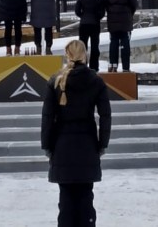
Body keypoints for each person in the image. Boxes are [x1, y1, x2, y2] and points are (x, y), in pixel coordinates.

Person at [41, 40, 111, 227]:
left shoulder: (56, 81)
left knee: (66, 201)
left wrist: (47, 145)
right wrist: (103, 143)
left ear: (67, 55)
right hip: (87, 144)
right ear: (85, 55)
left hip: (62, 145)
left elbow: (47, 116)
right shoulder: (96, 80)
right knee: (86, 198)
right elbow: (105, 115)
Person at [103, 0, 138, 73]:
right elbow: (134, 4)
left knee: (113, 42)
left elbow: (104, 4)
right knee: (125, 43)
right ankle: (126, 67)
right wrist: (129, 13)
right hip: (125, 21)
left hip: (112, 21)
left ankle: (113, 65)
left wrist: (110, 12)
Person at [74, 0, 106, 71]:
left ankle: (82, 65)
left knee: (83, 46)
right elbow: (102, 12)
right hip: (95, 24)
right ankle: (94, 66)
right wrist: (97, 17)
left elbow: (77, 11)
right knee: (95, 45)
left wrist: (83, 16)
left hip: (84, 24)